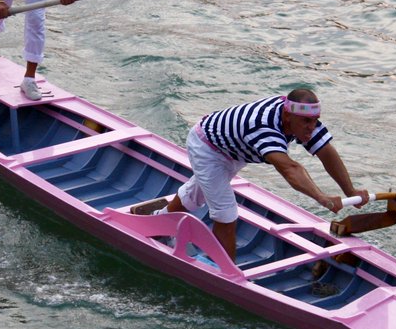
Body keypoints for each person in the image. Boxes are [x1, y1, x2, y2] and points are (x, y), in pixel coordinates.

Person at [152, 88, 370, 260]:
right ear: (287, 116)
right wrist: (322, 198)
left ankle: (160, 222)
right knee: (226, 212)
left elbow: (326, 152)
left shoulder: (302, 119)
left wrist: (350, 190)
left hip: (235, 149)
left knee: (198, 193)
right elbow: (290, 169)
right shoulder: (263, 127)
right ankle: (226, 273)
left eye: (315, 120)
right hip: (208, 147)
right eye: (306, 122)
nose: (311, 128)